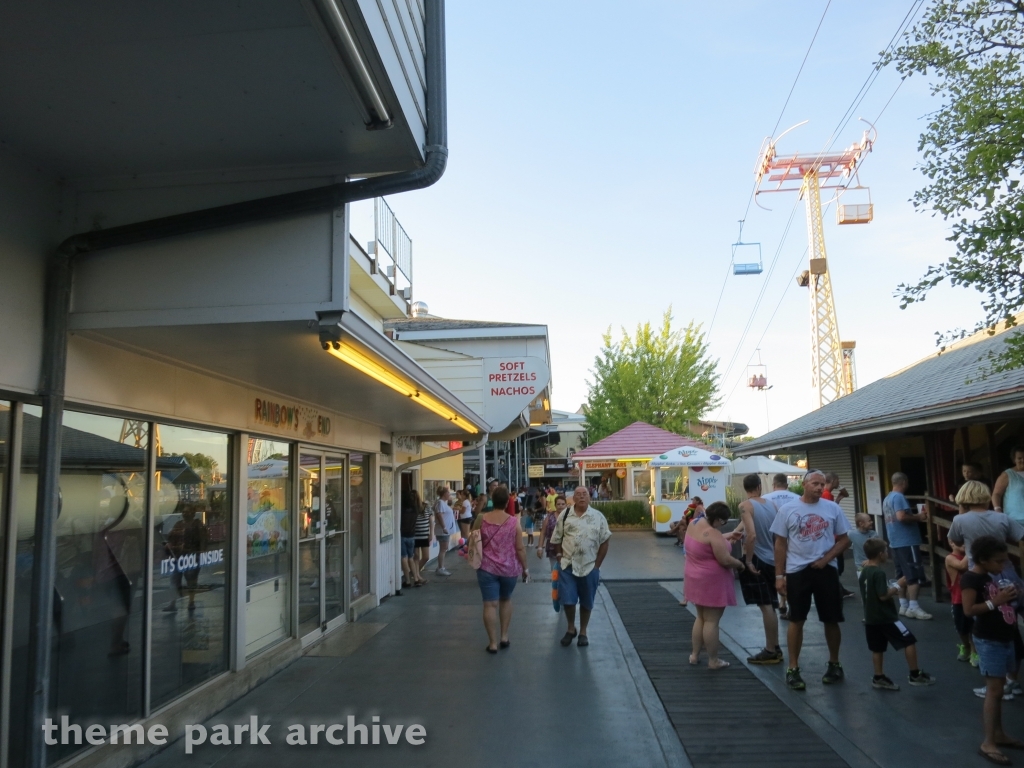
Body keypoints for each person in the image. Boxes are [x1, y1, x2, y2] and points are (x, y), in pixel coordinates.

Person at [772, 469, 852, 691]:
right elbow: (780, 543)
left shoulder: (832, 508)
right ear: (804, 484)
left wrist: (826, 559)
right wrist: (780, 575)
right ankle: (793, 668)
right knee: (797, 619)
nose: (819, 487)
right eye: (815, 483)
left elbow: (845, 540)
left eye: (822, 484)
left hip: (825, 570)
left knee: (831, 618)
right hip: (798, 571)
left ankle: (834, 663)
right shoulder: (788, 510)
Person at [949, 480, 1024, 700]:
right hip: (1007, 572)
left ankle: (995, 684)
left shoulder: (960, 520)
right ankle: (1012, 680)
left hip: (981, 577)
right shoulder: (1002, 518)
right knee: (1011, 626)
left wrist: (962, 510)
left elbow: (955, 540)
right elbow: (1020, 535)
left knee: (988, 629)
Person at [960, 536, 1024, 764]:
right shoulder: (970, 578)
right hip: (989, 639)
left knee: (998, 690)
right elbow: (969, 610)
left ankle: (998, 733)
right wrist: (996, 602)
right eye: (998, 561)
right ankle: (988, 742)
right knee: (994, 691)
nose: (1002, 566)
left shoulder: (989, 576)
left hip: (1004, 636)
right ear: (983, 560)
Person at [858, 537, 936, 690]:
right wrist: (898, 585)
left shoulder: (864, 572)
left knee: (877, 648)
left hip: (871, 617)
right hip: (886, 617)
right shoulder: (878, 573)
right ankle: (915, 674)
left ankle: (878, 676)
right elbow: (883, 595)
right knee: (909, 641)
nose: (887, 554)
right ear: (881, 554)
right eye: (886, 551)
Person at [684, 502, 744, 669]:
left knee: (701, 617)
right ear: (718, 519)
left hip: (694, 577)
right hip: (712, 581)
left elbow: (704, 541)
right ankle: (713, 660)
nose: (722, 525)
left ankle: (694, 655)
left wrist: (727, 535)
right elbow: (724, 559)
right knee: (712, 621)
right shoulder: (713, 532)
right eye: (723, 522)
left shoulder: (694, 523)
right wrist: (740, 565)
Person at [550, 486, 612, 648]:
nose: (582, 497)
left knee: (586, 601)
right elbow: (556, 538)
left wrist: (597, 566)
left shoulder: (598, 517)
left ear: (589, 497)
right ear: (574, 498)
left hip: (589, 566)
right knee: (568, 600)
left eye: (585, 494)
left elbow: (605, 541)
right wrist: (558, 556)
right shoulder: (565, 515)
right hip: (568, 565)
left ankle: (583, 631)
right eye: (578, 494)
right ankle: (571, 628)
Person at [474, 486, 529, 653]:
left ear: (492, 499)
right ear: (507, 502)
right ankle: (504, 636)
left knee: (489, 605)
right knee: (506, 600)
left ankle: (492, 643)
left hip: (486, 568)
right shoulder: (514, 522)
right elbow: (520, 548)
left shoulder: (481, 518)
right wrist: (525, 568)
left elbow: (473, 538)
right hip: (509, 569)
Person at [737, 475, 783, 665]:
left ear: (745, 488)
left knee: (765, 606)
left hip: (758, 558)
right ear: (758, 487)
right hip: (773, 558)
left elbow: (752, 534)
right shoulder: (772, 505)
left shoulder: (744, 506)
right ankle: (775, 645)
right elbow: (776, 533)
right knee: (771, 604)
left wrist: (748, 560)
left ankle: (771, 650)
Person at [882, 472, 932, 620]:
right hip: (907, 540)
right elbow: (901, 517)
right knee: (913, 574)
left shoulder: (887, 498)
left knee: (901, 574)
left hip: (895, 540)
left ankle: (903, 605)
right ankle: (914, 606)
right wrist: (919, 517)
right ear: (904, 482)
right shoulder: (899, 497)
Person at [947, 540, 978, 665]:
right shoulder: (950, 558)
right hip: (959, 599)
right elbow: (961, 566)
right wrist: (970, 548)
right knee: (962, 629)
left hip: (973, 597)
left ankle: (974, 651)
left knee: (974, 627)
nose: (964, 545)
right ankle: (966, 646)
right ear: (951, 543)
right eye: (960, 543)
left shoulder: (972, 556)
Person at [399, 490, 425, 588]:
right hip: (412, 536)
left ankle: (407, 580)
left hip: (403, 535)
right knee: (411, 557)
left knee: (404, 558)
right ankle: (416, 578)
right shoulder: (416, 509)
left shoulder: (401, 509)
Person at [993, 446, 1024, 525]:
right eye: (1019, 458)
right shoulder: (1007, 475)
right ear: (1014, 460)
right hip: (1015, 519)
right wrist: (997, 510)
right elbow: (996, 494)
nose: (1022, 460)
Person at [433, 487, 458, 577]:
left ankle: (440, 567)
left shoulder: (443, 503)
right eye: (448, 493)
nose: (449, 495)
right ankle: (441, 568)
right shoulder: (440, 503)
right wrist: (444, 527)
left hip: (445, 530)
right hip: (443, 530)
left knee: (444, 548)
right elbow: (439, 515)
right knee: (443, 549)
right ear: (444, 494)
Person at [537, 495, 564, 572]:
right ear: (555, 505)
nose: (560, 506)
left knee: (566, 571)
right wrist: (540, 548)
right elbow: (543, 533)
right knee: (555, 569)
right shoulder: (549, 517)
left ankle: (564, 583)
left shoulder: (570, 516)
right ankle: (554, 583)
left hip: (567, 549)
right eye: (558, 504)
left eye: (562, 504)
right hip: (552, 548)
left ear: (566, 505)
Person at [848, 513, 879, 577]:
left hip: (873, 566)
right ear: (861, 524)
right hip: (861, 567)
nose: (872, 522)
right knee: (865, 586)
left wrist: (870, 561)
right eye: (869, 521)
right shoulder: (852, 534)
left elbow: (879, 551)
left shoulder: (874, 535)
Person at [412, 490, 432, 574]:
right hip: (414, 535)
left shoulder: (426, 506)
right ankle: (416, 574)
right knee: (416, 556)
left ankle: (414, 572)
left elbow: (431, 521)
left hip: (424, 535)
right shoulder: (411, 508)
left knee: (426, 557)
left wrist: (431, 533)